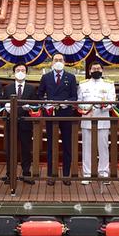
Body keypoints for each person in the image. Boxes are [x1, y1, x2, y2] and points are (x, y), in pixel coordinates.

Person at [36, 53, 79, 183]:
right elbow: (39, 95)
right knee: (51, 145)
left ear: (64, 62)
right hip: (51, 114)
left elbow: (74, 97)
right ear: (52, 62)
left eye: (61, 60)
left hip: (66, 114)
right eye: (56, 60)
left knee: (67, 145)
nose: (58, 62)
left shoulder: (71, 77)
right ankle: (51, 175)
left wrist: (67, 102)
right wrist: (46, 103)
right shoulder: (46, 77)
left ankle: (66, 175)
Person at [76, 62, 116, 184]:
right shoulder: (83, 84)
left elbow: (112, 102)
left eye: (98, 68)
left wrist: (103, 106)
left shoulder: (109, 84)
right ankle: (87, 174)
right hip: (87, 119)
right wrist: (85, 108)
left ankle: (103, 172)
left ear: (102, 70)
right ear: (89, 71)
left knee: (103, 148)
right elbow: (79, 101)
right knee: (86, 148)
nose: (96, 70)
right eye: (94, 68)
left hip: (102, 119)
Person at [4, 63, 38, 183]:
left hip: (25, 123)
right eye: (18, 70)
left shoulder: (31, 88)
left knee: (26, 149)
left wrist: (30, 107)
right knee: (10, 149)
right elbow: (3, 102)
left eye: (23, 70)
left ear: (26, 73)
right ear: (14, 73)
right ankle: (10, 174)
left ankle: (26, 173)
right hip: (11, 122)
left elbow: (35, 104)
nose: (20, 72)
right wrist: (6, 106)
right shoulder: (8, 88)